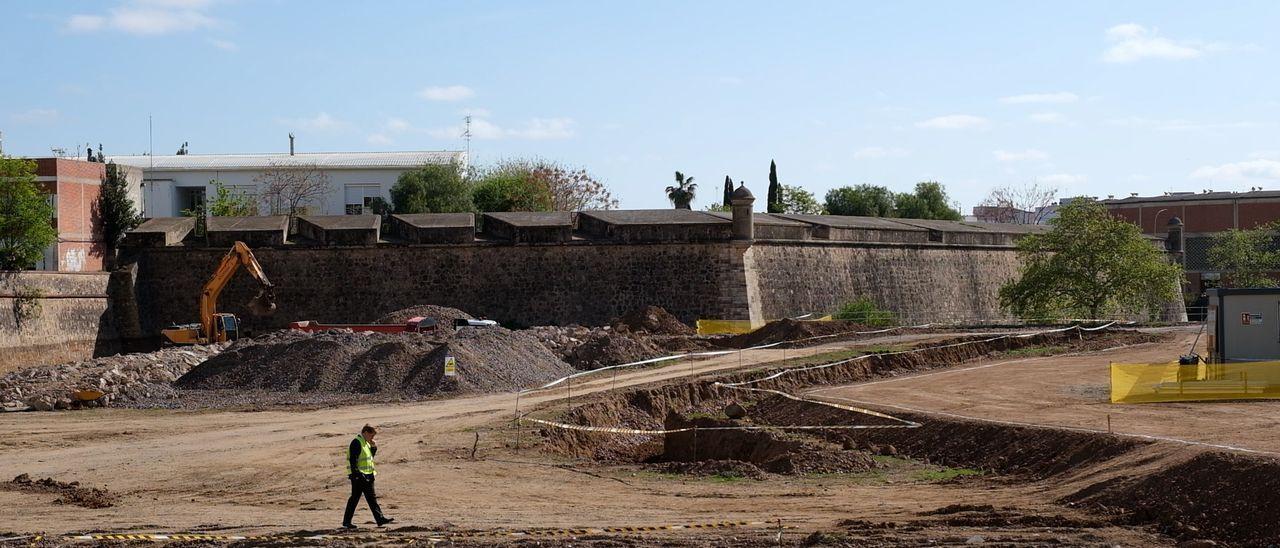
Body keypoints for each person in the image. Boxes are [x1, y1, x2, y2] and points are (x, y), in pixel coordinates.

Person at [342, 424, 394, 529]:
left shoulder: (366, 443)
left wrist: (374, 447)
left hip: (368, 475)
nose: (372, 438)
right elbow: (353, 460)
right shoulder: (356, 442)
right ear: (365, 432)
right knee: (355, 499)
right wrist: (357, 475)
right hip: (359, 476)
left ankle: (380, 519)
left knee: (371, 498)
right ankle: (347, 522)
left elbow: (370, 457)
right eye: (371, 435)